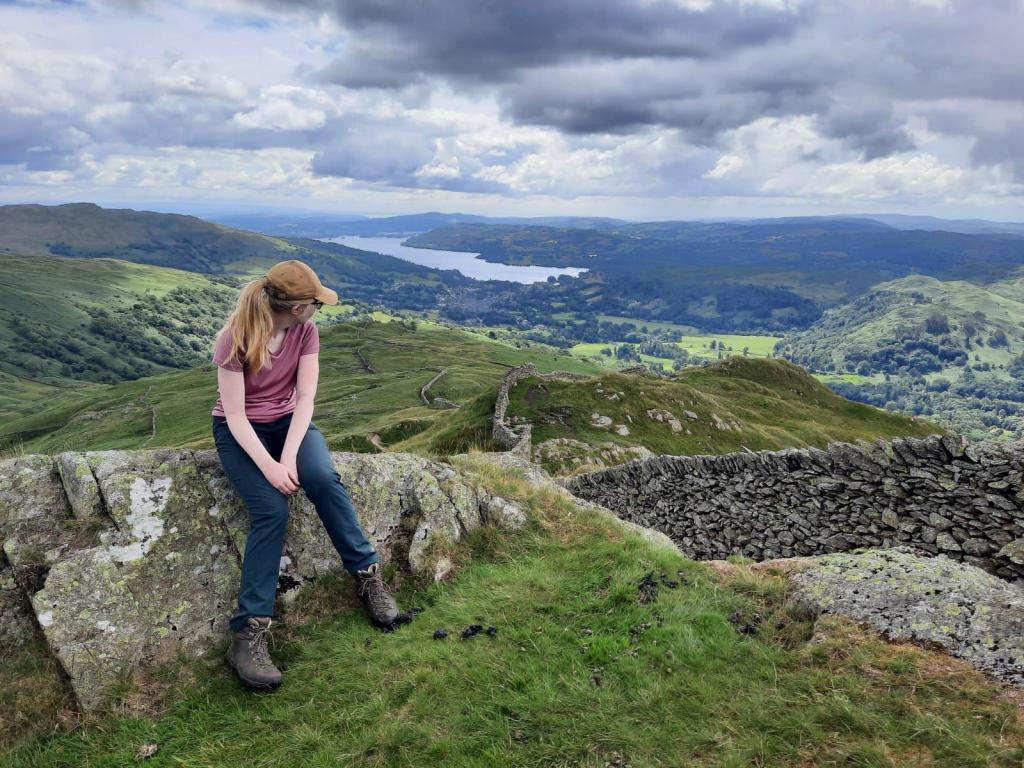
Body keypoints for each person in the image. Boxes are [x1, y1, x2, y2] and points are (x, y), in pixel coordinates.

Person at [210, 259, 400, 690]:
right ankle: (247, 635)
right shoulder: (234, 340)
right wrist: (271, 468)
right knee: (271, 512)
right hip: (241, 433)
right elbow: (236, 417)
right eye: (316, 302)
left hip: (290, 425)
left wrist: (291, 456)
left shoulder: (306, 332)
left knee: (322, 479)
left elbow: (306, 399)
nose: (319, 308)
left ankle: (368, 579)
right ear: (298, 307)